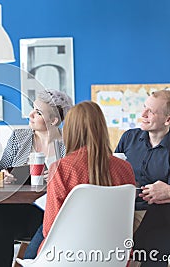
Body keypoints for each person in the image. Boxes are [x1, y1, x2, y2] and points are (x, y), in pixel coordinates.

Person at [0, 89, 73, 267]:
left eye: (38, 112)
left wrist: (58, 176)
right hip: (18, 208)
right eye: (33, 108)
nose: (30, 114)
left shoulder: (69, 143)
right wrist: (2, 176)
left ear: (54, 120)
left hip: (53, 211)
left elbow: (77, 179)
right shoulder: (19, 137)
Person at [39, 101, 135, 253]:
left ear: (70, 130)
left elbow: (50, 229)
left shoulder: (61, 168)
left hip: (68, 256)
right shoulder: (125, 168)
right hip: (114, 257)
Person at [115, 90, 170, 266]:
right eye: (144, 108)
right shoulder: (128, 138)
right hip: (121, 210)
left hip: (156, 217)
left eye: (151, 112)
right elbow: (113, 172)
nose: (143, 114)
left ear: (168, 119)